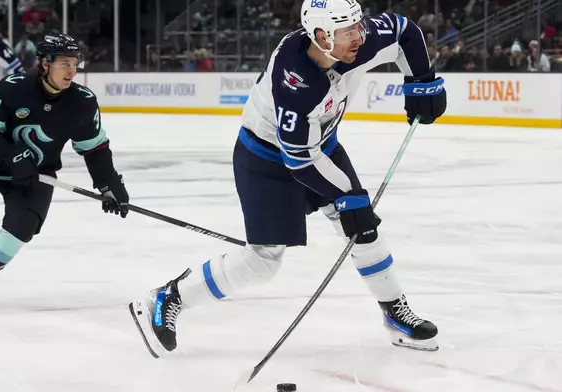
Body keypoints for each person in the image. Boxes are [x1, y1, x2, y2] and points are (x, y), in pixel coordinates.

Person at [129, 0, 446, 356]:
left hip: (320, 146)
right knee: (262, 263)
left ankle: (394, 313)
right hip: (267, 159)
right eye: (347, 32)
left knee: (364, 230)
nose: (359, 37)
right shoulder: (296, 81)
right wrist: (349, 198)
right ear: (322, 36)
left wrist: (422, 82)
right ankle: (168, 297)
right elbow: (299, 159)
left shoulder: (360, 38)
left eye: (358, 27)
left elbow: (405, 32)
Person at [0, 33, 130, 312]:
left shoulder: (83, 101)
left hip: (35, 175)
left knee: (21, 228)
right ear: (44, 63)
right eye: (64, 63)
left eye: (74, 63)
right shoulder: (13, 87)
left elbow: (94, 148)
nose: (71, 70)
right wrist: (12, 155)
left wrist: (109, 183)